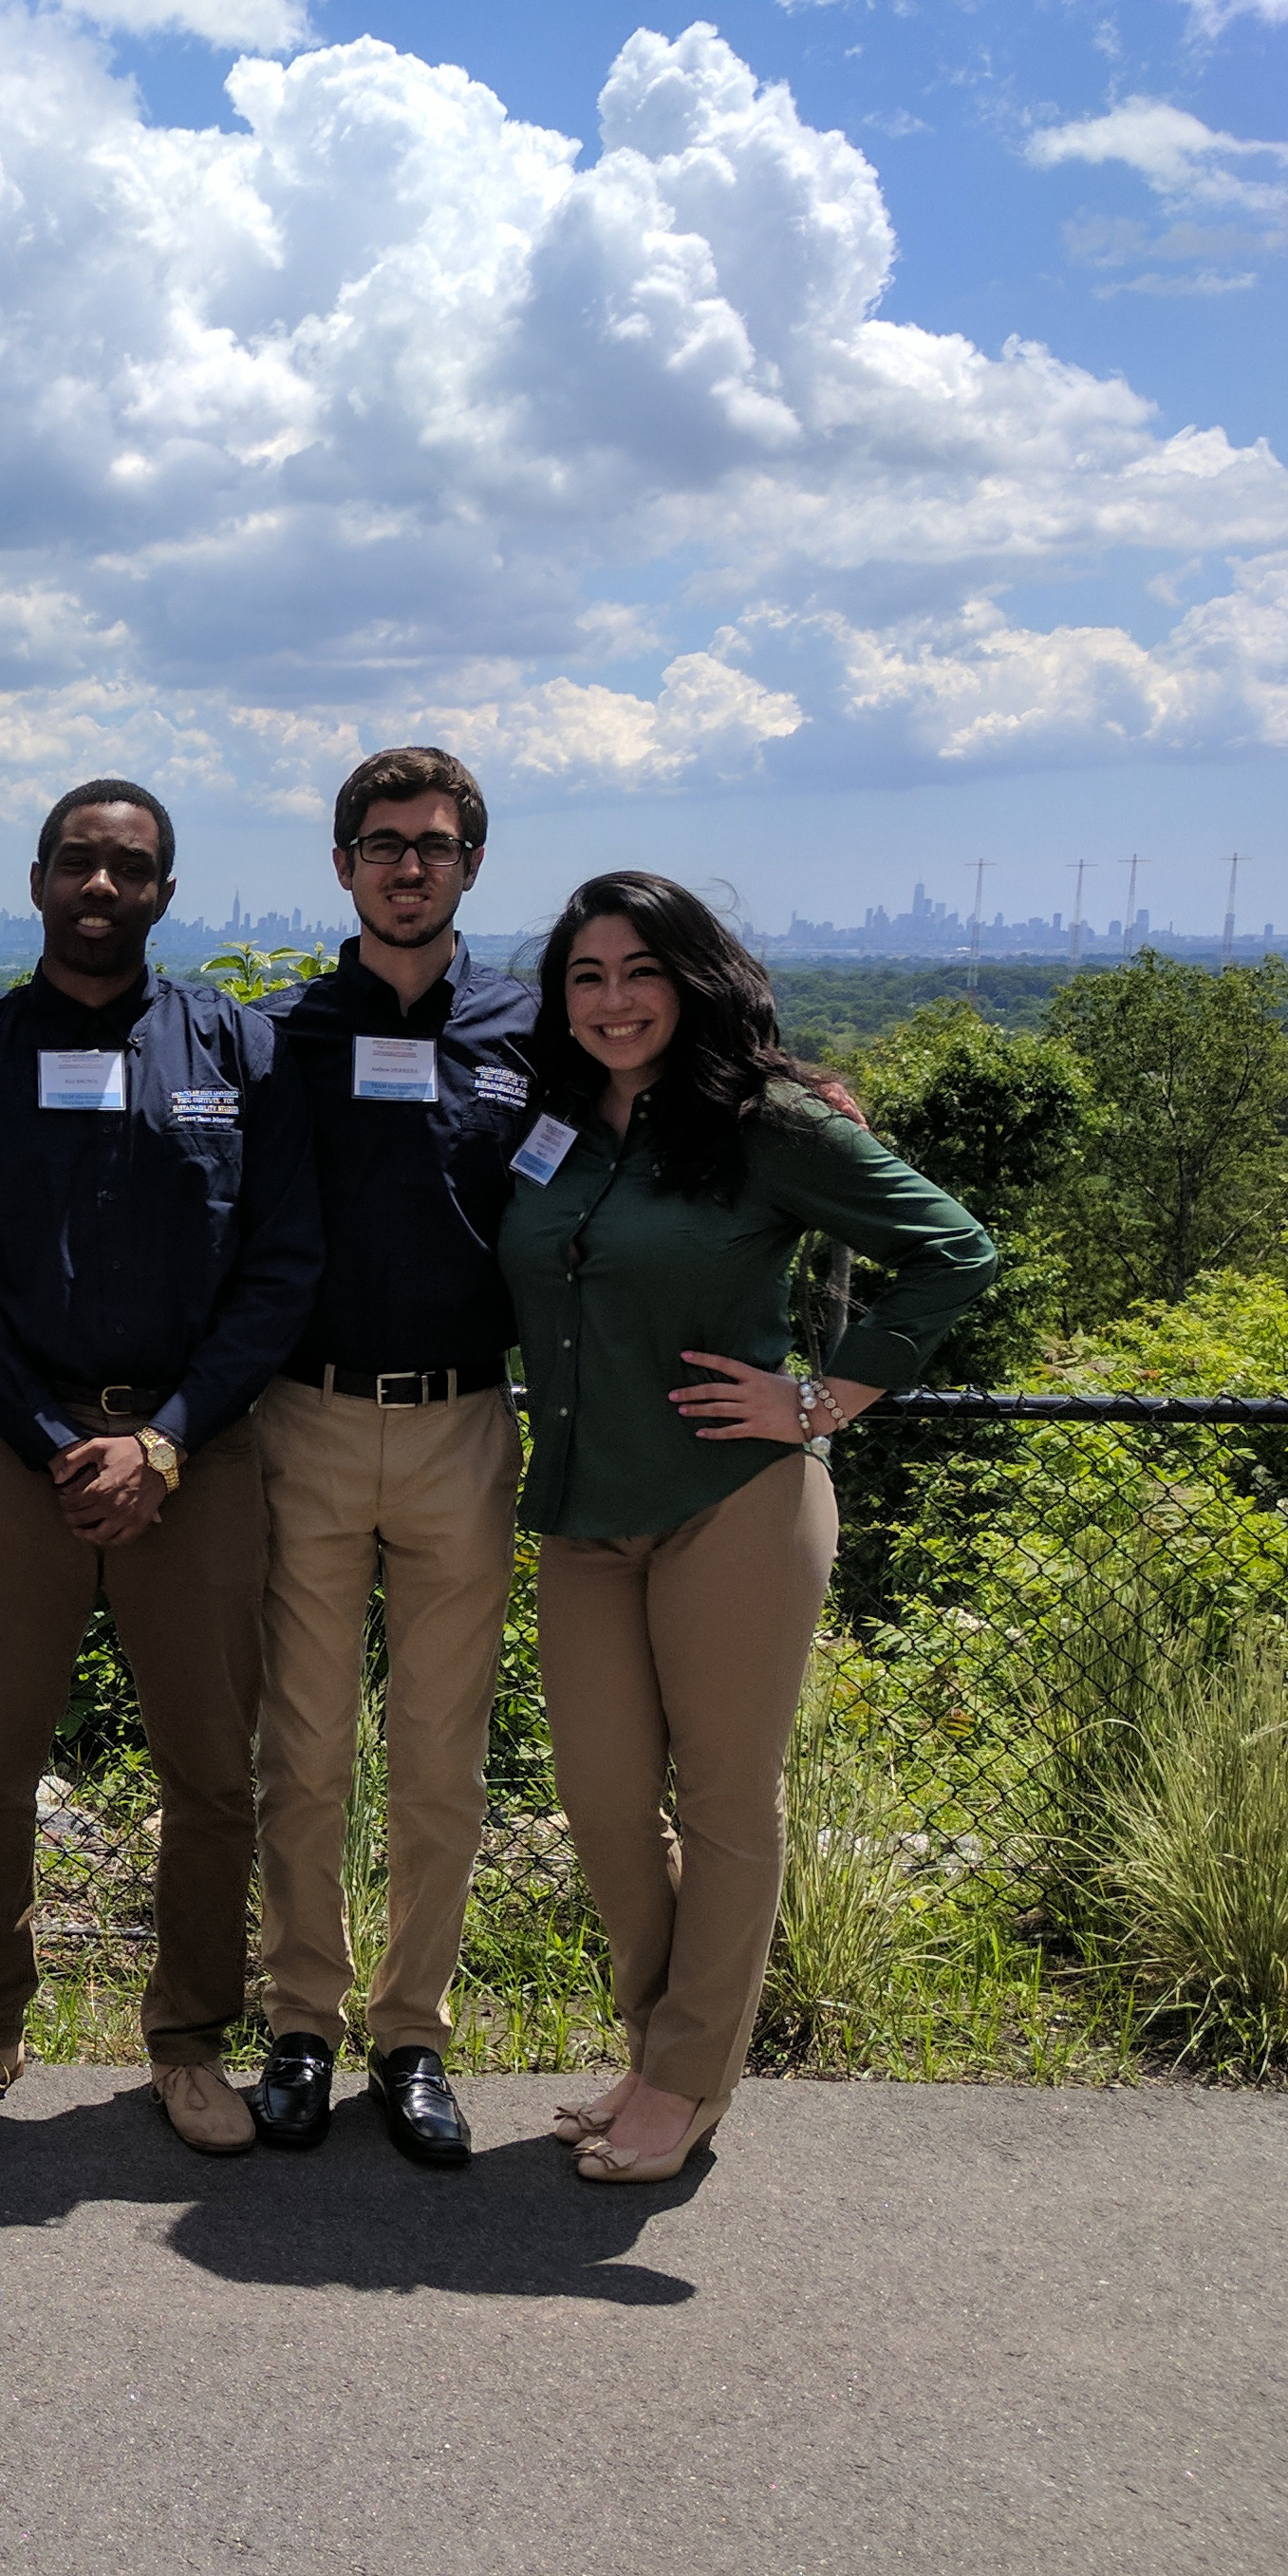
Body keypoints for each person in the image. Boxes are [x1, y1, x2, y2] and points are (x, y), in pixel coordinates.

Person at [504, 873, 996, 2183]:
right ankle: (665, 2047)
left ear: (694, 980)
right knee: (603, 1804)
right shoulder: (554, 1121)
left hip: (735, 1503)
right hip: (581, 1506)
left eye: (641, 972)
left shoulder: (765, 1122)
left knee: (726, 1804)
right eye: (588, 977)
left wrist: (825, 1398)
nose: (614, 1002)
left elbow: (957, 1248)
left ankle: (683, 2081)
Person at [0, 777, 322, 2155]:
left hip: (196, 1454)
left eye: (129, 870)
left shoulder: (238, 1050)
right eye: (78, 864)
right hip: (22, 1451)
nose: (100, 889)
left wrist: (169, 1437)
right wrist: (51, 1435)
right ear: (36, 881)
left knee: (210, 1770)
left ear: (164, 894)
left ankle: (189, 2044)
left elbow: (281, 1265)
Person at [242, 748, 539, 2169]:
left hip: (465, 1426)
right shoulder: (280, 1034)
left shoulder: (536, 1028)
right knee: (302, 1752)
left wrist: (812, 1080)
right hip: (302, 1420)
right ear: (344, 866)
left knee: (439, 1759)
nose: (406, 864)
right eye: (380, 843)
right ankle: (300, 2022)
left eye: (432, 843)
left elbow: (686, 1081)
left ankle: (410, 2036)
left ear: (472, 863)